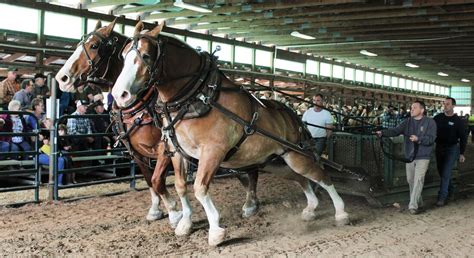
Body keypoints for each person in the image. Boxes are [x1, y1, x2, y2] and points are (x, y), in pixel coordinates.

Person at [376, 101, 436, 214]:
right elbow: (395, 131)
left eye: (414, 108)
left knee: (418, 180)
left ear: (422, 110)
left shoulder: (430, 122)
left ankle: (412, 206)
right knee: (411, 180)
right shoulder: (407, 122)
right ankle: (419, 202)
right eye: (411, 108)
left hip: (423, 156)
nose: (411, 109)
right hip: (410, 156)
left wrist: (419, 139)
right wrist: (382, 133)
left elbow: (431, 139)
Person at [434, 97, 467, 207]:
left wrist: (462, 153)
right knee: (441, 171)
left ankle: (442, 197)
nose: (445, 106)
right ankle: (451, 190)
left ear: (453, 106)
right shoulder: (437, 118)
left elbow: (463, 137)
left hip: (451, 149)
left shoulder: (458, 121)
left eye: (448, 104)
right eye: (444, 104)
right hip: (439, 147)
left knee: (446, 172)